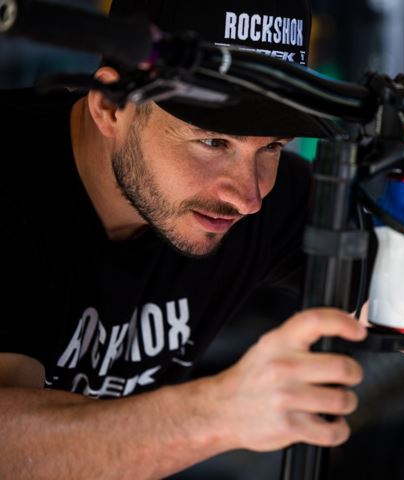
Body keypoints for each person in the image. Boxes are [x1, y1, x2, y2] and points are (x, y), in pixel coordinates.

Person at [3, 0, 382, 476]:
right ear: (112, 108)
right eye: (212, 142)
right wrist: (217, 413)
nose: (248, 198)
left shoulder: (258, 198)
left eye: (271, 147)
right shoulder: (10, 184)